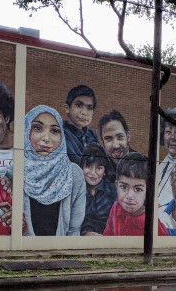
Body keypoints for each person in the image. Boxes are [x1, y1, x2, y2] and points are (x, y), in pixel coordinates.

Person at [23, 105, 86, 236]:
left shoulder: (74, 174)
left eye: (55, 131)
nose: (46, 138)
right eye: (38, 128)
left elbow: (74, 231)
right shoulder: (14, 171)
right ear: (26, 130)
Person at [103, 152, 169, 236]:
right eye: (123, 187)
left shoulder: (153, 225)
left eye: (138, 189)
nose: (130, 196)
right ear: (116, 186)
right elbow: (107, 237)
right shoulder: (116, 207)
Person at [80, 142, 116, 236]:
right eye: (88, 166)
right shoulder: (76, 190)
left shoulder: (114, 190)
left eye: (98, 168)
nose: (92, 173)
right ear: (82, 167)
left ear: (104, 170)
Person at [62, 85, 98, 164]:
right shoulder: (61, 133)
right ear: (67, 108)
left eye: (89, 108)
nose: (84, 112)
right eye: (78, 105)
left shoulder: (92, 135)